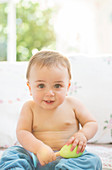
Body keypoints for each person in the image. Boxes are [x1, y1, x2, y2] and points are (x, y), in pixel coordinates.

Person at [0, 50, 102, 169]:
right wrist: (39, 148)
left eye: (57, 86)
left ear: (68, 86)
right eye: (41, 86)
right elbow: (22, 132)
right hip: (36, 157)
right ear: (30, 87)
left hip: (69, 158)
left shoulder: (74, 104)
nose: (49, 93)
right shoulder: (29, 107)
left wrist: (82, 135)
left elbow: (91, 123)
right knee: (12, 153)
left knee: (93, 159)